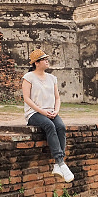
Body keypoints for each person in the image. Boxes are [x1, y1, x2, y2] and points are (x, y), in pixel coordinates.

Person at [22, 49, 74, 182]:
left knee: (61, 127)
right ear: (37, 63)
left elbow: (57, 98)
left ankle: (57, 165)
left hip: (51, 112)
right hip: (34, 113)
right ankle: (61, 162)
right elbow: (27, 99)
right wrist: (42, 111)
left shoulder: (52, 78)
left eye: (47, 59)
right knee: (49, 126)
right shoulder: (28, 77)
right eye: (44, 59)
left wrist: (56, 111)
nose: (47, 61)